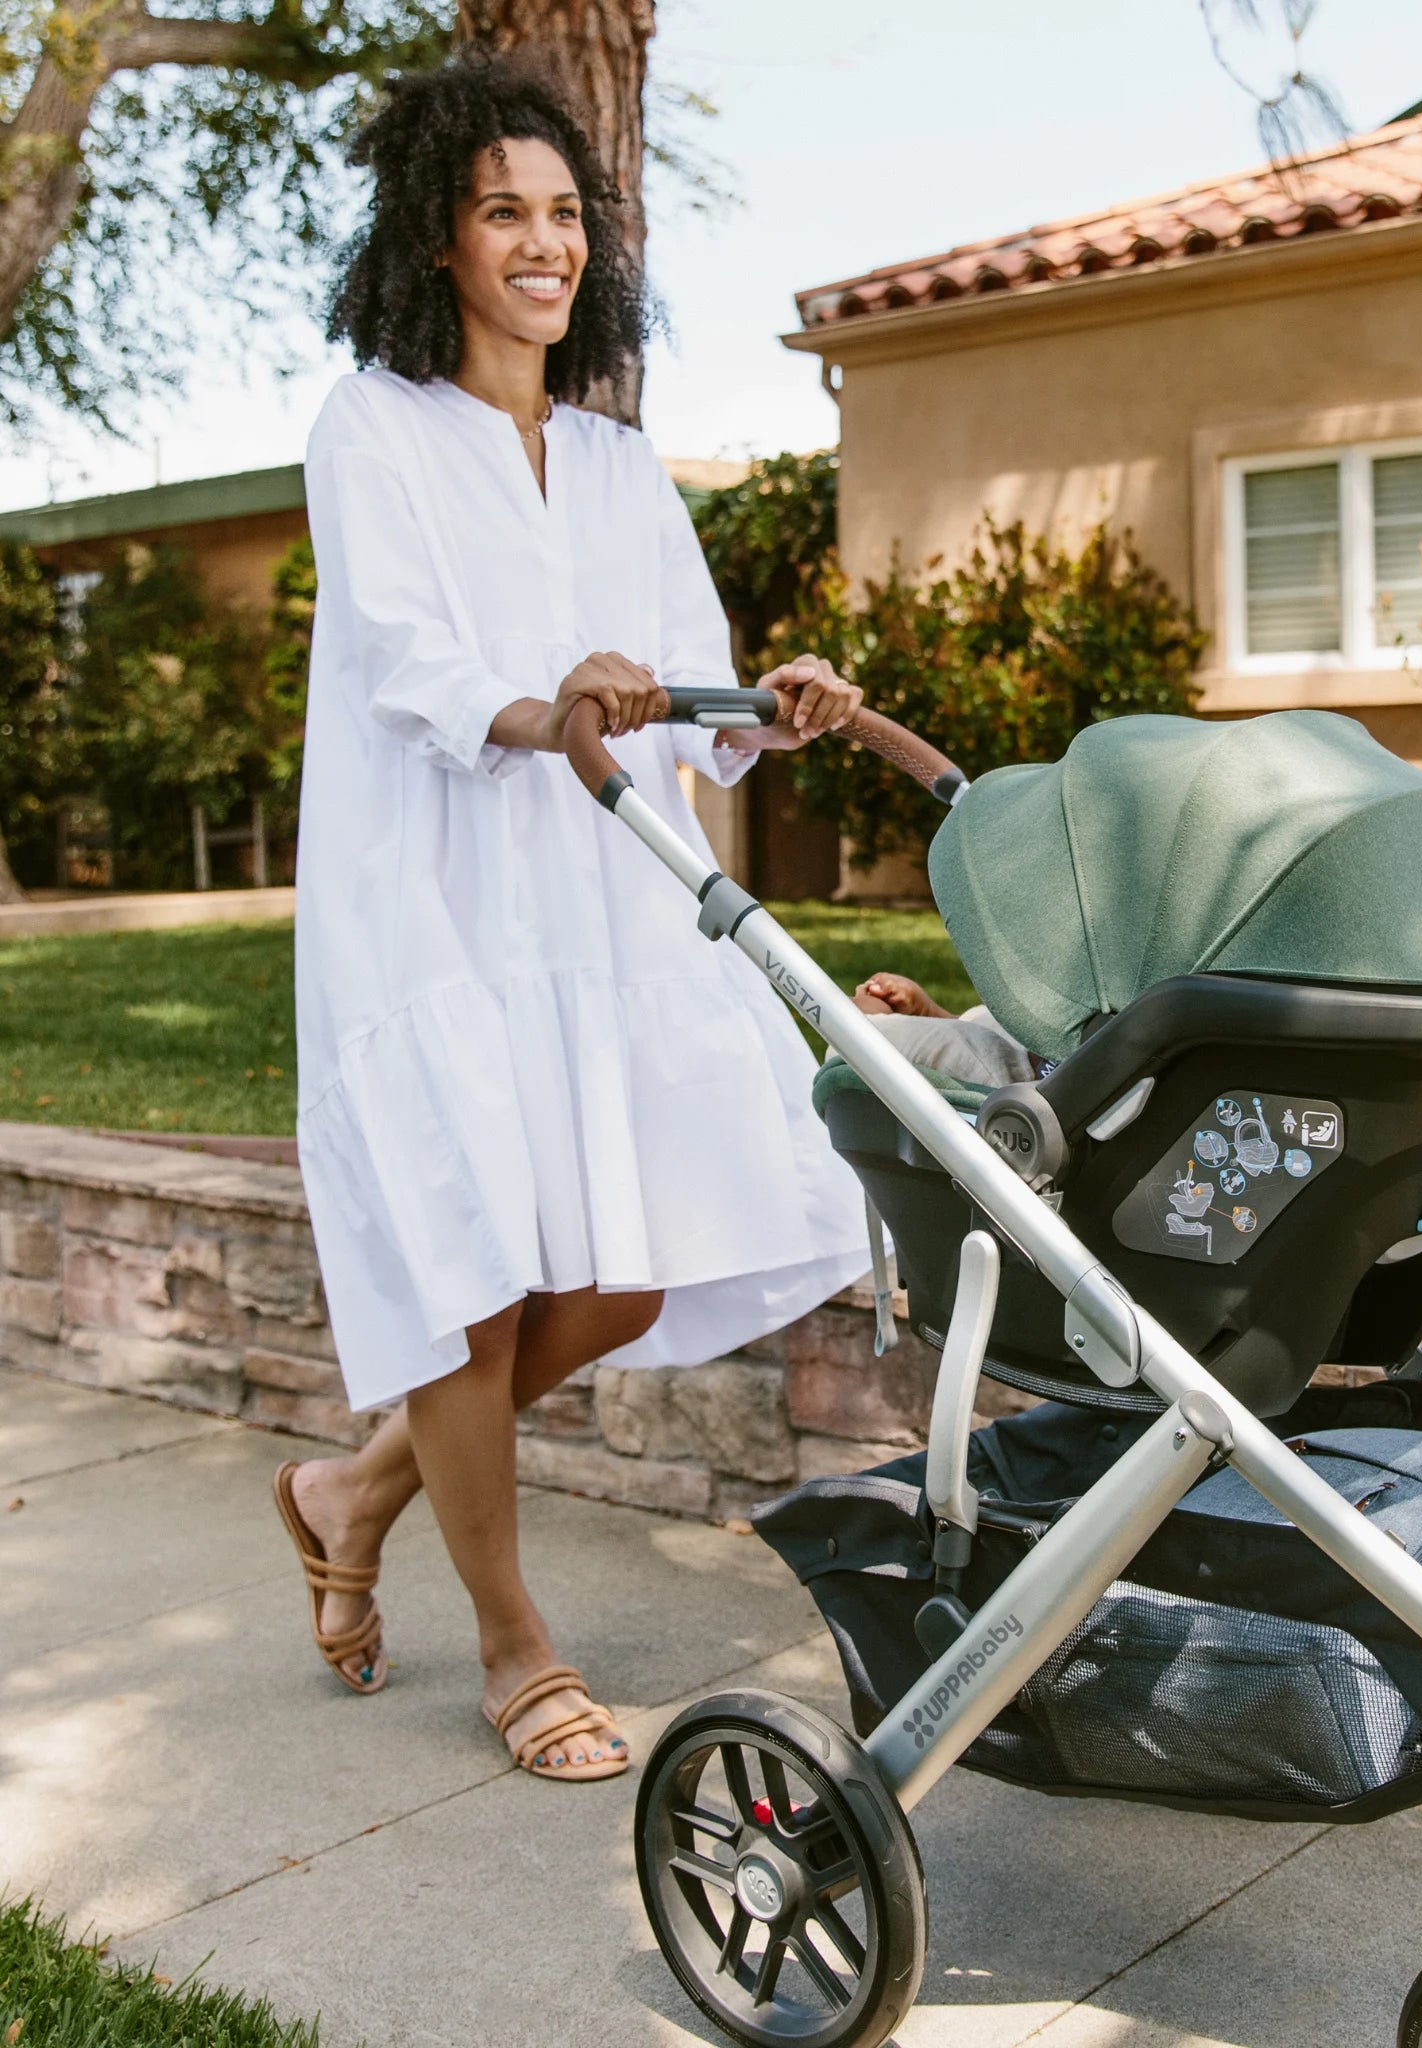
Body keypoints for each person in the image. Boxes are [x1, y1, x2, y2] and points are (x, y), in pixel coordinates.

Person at [272, 53, 872, 1783]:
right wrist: (551, 706)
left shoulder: (612, 456)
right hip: (437, 900)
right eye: (500, 213)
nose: (541, 244)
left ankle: (348, 1485)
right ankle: (515, 1644)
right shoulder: (369, 427)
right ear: (437, 240)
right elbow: (405, 661)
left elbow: (677, 681)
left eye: (561, 215)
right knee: (473, 1277)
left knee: (614, 1273)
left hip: (605, 896)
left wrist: (770, 701)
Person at [851, 971, 1042, 1088]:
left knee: (848, 1047)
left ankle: (868, 1022)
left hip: (1026, 1091)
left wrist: (872, 1019)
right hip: (1050, 1050)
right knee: (999, 1021)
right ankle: (947, 1019)